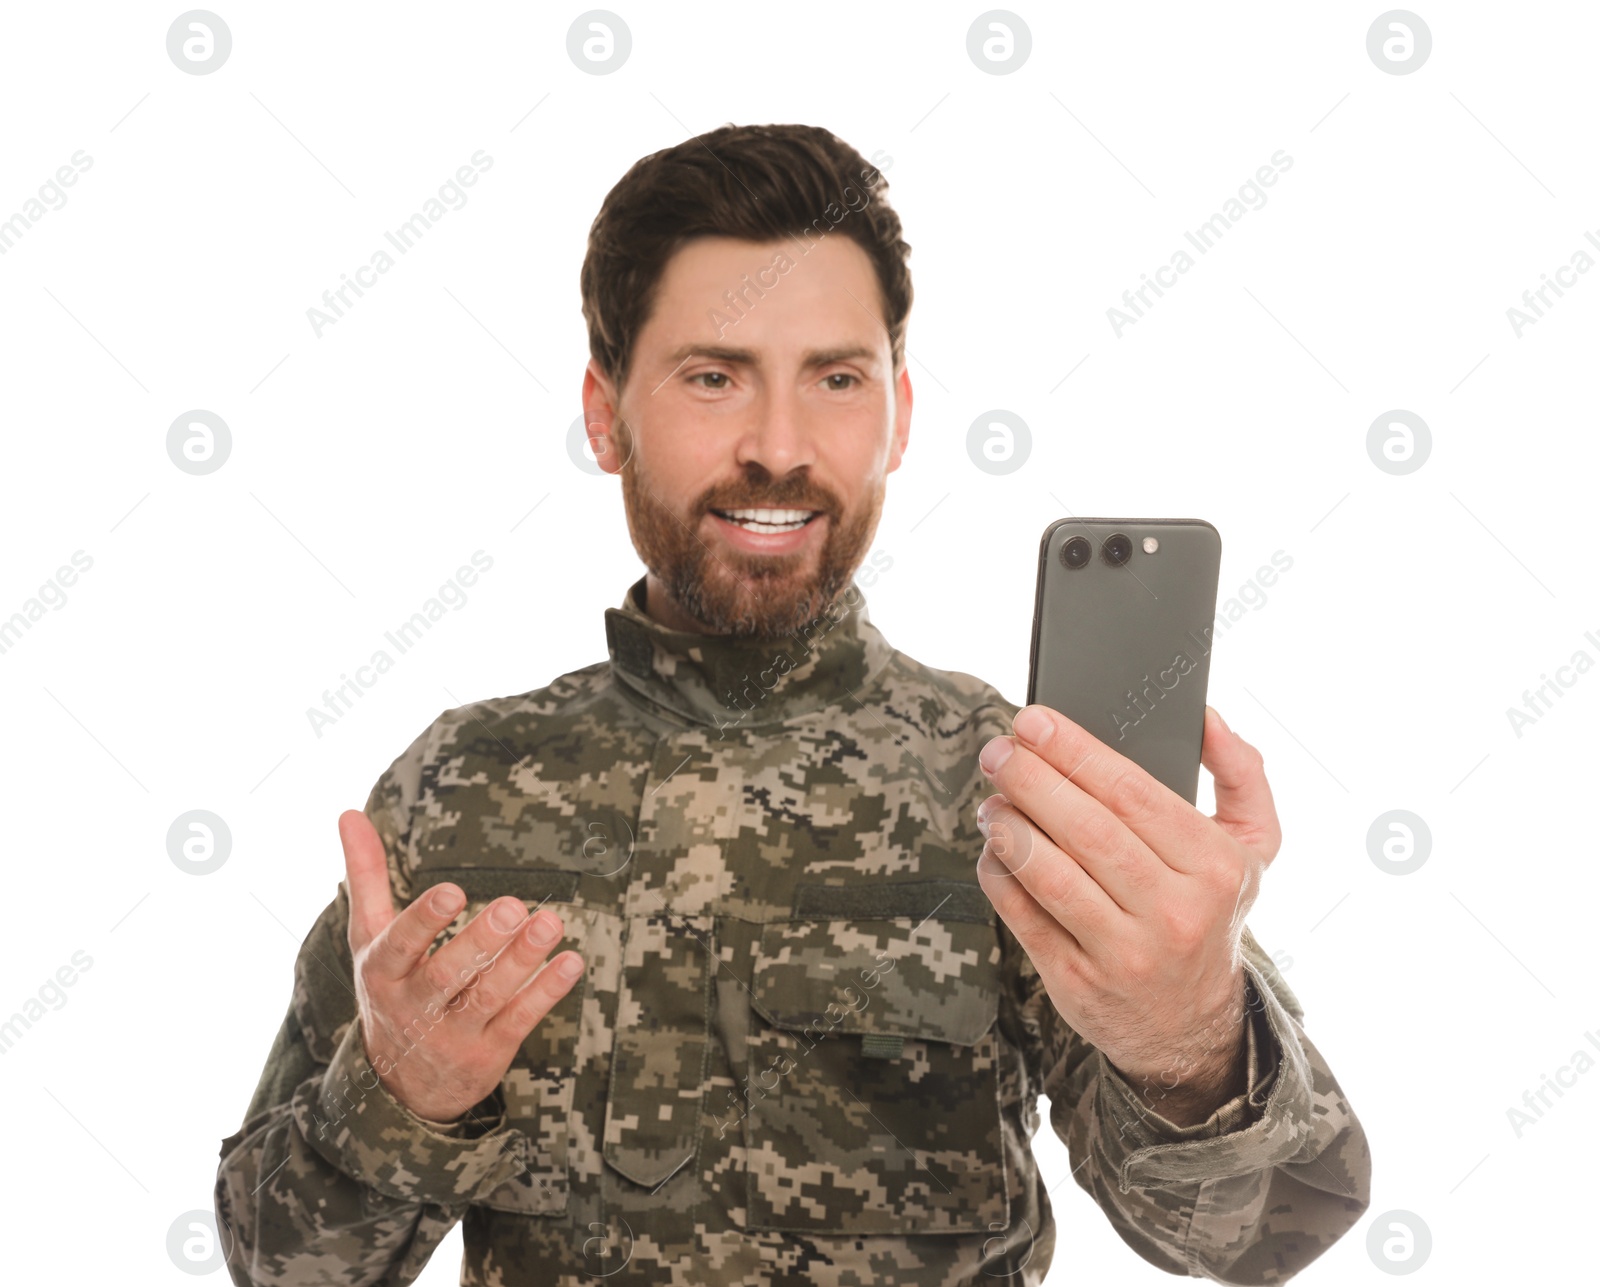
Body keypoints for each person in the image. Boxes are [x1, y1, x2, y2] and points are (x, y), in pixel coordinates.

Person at [215, 122, 1370, 1286]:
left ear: (900, 416)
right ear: (606, 413)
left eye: (836, 379)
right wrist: (398, 1101)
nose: (778, 447)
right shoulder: (454, 787)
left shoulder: (1016, 787)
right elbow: (272, 1263)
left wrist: (1190, 1039)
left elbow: (1274, 1230)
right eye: (713, 377)